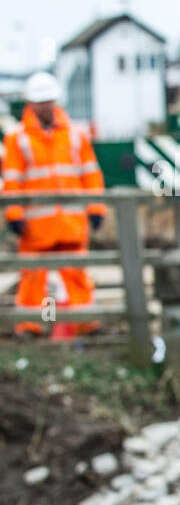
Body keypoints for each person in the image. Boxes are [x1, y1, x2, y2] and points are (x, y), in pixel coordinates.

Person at [2, 71, 107, 338]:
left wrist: (96, 208)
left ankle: (85, 324)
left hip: (70, 221)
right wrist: (14, 214)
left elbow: (90, 173)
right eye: (40, 101)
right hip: (35, 225)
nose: (45, 106)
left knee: (76, 277)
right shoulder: (17, 138)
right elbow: (12, 179)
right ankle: (31, 326)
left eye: (49, 100)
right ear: (30, 103)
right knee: (34, 279)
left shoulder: (75, 134)